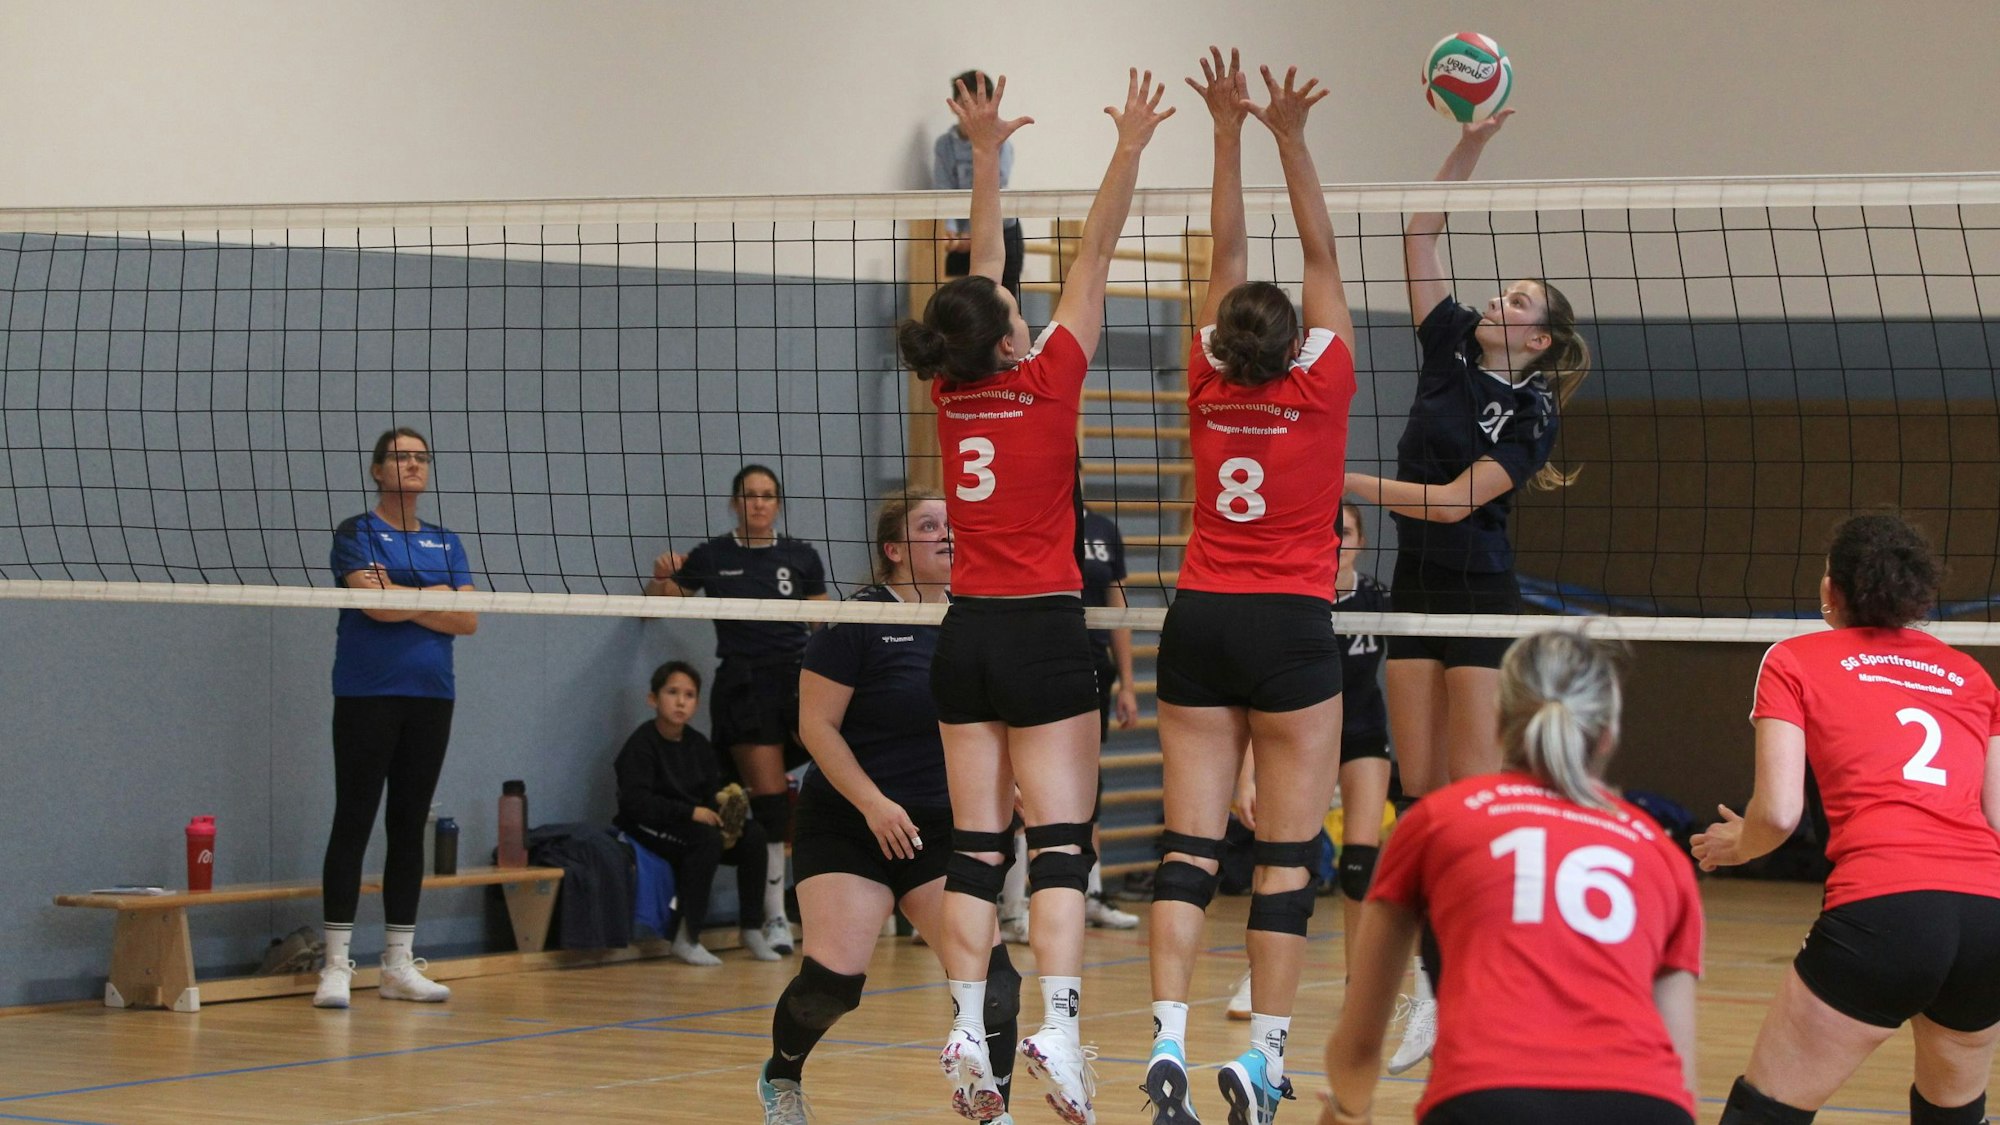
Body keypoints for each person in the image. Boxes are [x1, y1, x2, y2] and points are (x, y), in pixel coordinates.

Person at [897, 68, 1171, 1125]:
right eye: (1014, 303)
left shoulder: (949, 390)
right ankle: (1054, 1030)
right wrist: (1129, 146)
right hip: (1047, 636)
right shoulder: (1048, 378)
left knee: (974, 847)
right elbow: (1091, 253)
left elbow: (975, 271)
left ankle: (967, 1022)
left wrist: (979, 161)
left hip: (963, 637)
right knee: (1058, 843)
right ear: (1013, 336)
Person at [1341, 108, 1592, 1072]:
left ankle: (1490, 977)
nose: (1500, 297)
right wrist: (1472, 144)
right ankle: (1433, 988)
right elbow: (1419, 231)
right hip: (1411, 587)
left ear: (1540, 336)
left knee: (1472, 796)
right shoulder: (1447, 342)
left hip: (1480, 596)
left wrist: (1350, 482)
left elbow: (1451, 505)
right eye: (1506, 288)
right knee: (1419, 796)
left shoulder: (1531, 416)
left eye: (1520, 297)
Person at [1145, 49, 1358, 1125]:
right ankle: (1265, 1062)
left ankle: (1170, 1041)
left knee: (1186, 849)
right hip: (1288, 627)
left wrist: (1222, 129)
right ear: (1296, 345)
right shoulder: (1322, 381)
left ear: (1225, 342)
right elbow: (1313, 246)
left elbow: (1227, 248)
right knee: (1282, 855)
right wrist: (1288, 133)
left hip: (1197, 618)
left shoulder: (1200, 371)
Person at [1319, 631, 1702, 1125]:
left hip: (1488, 1098)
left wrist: (1349, 1114)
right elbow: (1682, 1074)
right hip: (1648, 1106)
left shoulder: (1438, 822)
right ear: (1607, 735)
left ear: (1498, 722)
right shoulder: (1658, 851)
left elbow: (1357, 1046)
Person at [1694, 514, 2000, 1125]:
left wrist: (1738, 845)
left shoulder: (1795, 659)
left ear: (1831, 590)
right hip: (1988, 916)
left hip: (1885, 909)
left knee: (1765, 1112)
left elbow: (1779, 813)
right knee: (1953, 1114)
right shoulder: (1972, 675)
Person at [758, 489, 1024, 1125]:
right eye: (930, 526)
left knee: (995, 986)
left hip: (939, 827)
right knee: (833, 987)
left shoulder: (975, 619)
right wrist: (874, 803)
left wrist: (1012, 783)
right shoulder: (859, 620)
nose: (946, 535)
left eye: (951, 525)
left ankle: (992, 1114)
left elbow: (994, 719)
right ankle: (782, 1077)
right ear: (895, 550)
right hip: (851, 822)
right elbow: (815, 727)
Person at [317, 426, 479, 1009]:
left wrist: (407, 593)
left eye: (420, 457)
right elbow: (375, 606)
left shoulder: (447, 540)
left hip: (431, 694)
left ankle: (397, 964)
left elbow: (468, 619)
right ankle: (336, 963)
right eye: (399, 457)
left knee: (409, 826)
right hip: (367, 693)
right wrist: (432, 595)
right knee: (354, 818)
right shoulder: (356, 532)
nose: (411, 465)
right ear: (378, 470)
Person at [647, 463, 828, 957]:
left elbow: (821, 621)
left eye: (768, 495)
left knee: (831, 783)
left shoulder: (801, 554)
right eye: (749, 495)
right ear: (735, 503)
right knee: (771, 802)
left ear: (778, 503)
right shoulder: (713, 554)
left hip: (797, 679)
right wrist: (662, 579)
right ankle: (773, 918)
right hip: (746, 684)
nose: (759, 503)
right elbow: (666, 603)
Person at [614, 661, 783, 966]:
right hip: (646, 826)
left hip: (690, 824)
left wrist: (728, 811)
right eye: (672, 692)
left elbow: (711, 792)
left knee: (753, 834)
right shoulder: (641, 745)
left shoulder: (697, 744)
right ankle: (686, 935)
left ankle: (751, 928)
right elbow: (636, 803)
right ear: (653, 699)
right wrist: (690, 812)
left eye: (689, 695)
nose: (681, 701)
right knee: (705, 840)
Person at [935, 68, 1026, 298]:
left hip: (1001, 231)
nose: (971, 110)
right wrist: (950, 231)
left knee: (1002, 302)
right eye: (965, 103)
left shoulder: (1001, 141)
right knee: (961, 304)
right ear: (954, 105)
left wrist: (973, 234)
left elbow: (997, 186)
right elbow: (944, 189)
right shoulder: (944, 145)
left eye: (978, 103)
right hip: (963, 239)